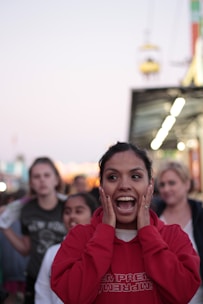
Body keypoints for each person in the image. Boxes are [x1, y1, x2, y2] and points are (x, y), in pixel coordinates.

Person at [51, 142, 201, 304]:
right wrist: (104, 233)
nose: (124, 186)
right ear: (101, 186)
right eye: (112, 177)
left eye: (135, 176)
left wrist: (147, 233)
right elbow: (73, 297)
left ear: (150, 185)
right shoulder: (79, 237)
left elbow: (183, 293)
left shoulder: (173, 236)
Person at [0, 157, 67, 304]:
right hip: (35, 278)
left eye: (47, 175)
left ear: (56, 179)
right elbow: (25, 249)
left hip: (65, 278)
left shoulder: (69, 207)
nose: (42, 180)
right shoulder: (26, 209)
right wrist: (4, 227)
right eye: (36, 176)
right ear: (31, 182)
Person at [152, 160, 203, 303]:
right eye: (162, 184)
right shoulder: (152, 217)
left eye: (172, 183)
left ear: (186, 184)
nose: (166, 189)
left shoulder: (200, 217)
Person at [35, 192, 99, 304]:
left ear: (93, 216)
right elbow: (43, 292)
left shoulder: (101, 250)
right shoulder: (52, 251)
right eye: (67, 212)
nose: (72, 216)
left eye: (79, 211)